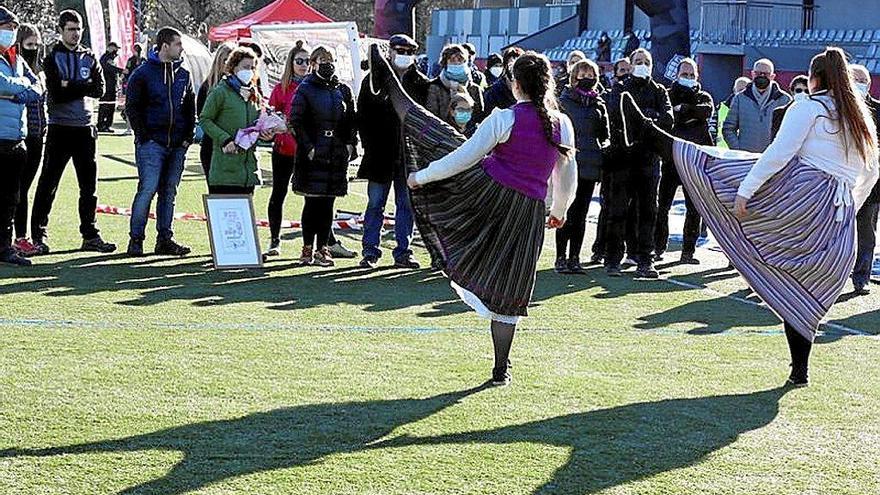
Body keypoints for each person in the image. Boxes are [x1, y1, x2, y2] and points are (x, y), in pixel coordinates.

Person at [621, 47, 878, 387]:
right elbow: (871, 171)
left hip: (804, 198)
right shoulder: (859, 117)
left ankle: (654, 136)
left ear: (815, 78)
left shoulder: (809, 107)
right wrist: (849, 207)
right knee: (802, 288)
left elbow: (779, 153)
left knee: (725, 168)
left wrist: (746, 190)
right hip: (836, 212)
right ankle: (799, 369)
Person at [369, 45, 576, 386]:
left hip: (486, 194)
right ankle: (501, 369)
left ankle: (389, 80)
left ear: (515, 84)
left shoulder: (504, 118)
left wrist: (421, 177)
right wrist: (559, 211)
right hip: (527, 210)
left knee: (435, 134)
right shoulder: (562, 124)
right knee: (510, 288)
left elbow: (462, 158)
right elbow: (567, 175)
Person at [30, 9, 116, 255]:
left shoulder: (89, 56)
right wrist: (82, 86)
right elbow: (57, 93)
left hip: (85, 129)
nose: (75, 34)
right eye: (70, 29)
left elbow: (100, 90)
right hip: (60, 128)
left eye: (78, 29)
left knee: (89, 187)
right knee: (48, 184)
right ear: (61, 30)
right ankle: (38, 235)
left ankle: (90, 235)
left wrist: (71, 85)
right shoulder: (52, 58)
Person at [356, 34, 429, 269]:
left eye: (409, 52)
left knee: (406, 205)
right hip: (379, 154)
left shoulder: (421, 83)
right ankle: (370, 251)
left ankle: (404, 252)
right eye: (400, 51)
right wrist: (369, 146)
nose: (405, 56)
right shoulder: (373, 81)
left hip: (409, 156)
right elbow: (362, 116)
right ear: (390, 51)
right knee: (375, 203)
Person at [124, 27, 195, 257]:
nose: (181, 49)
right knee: (147, 190)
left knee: (169, 192)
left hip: (177, 145)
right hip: (151, 144)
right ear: (165, 46)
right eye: (178, 44)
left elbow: (190, 107)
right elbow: (132, 108)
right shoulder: (142, 74)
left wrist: (188, 137)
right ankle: (136, 240)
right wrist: (143, 136)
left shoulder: (184, 73)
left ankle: (165, 239)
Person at [603, 48, 672, 278]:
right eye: (638, 61)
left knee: (649, 211)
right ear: (631, 65)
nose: (643, 65)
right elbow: (616, 114)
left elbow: (668, 119)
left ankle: (646, 260)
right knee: (618, 211)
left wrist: (640, 117)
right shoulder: (620, 88)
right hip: (623, 159)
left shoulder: (659, 90)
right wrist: (649, 119)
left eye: (646, 62)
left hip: (649, 160)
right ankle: (613, 259)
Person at [289, 46, 357, 267]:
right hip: (313, 153)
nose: (327, 63)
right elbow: (295, 121)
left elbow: (351, 120)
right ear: (314, 63)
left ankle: (323, 248)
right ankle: (307, 248)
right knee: (312, 203)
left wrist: (350, 144)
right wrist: (308, 147)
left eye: (330, 59)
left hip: (336, 153)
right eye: (322, 60)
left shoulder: (343, 90)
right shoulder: (305, 88)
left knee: (328, 204)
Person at [654, 57, 712, 265]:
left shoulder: (704, 96)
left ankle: (688, 252)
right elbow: (669, 119)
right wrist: (688, 113)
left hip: (693, 162)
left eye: (691, 74)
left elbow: (705, 111)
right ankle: (658, 248)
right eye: (684, 74)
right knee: (662, 207)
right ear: (676, 75)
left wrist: (684, 109)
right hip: (671, 161)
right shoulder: (667, 95)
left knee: (694, 209)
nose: (688, 78)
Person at [555, 58, 609, 274]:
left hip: (590, 165)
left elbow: (604, 134)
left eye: (591, 75)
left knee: (581, 214)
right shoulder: (563, 102)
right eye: (583, 75)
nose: (587, 79)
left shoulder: (599, 104)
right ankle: (560, 257)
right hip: (568, 164)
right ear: (574, 77)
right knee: (565, 210)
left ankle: (575, 257)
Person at [0, 7, 43, 266]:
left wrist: (17, 93)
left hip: (17, 139)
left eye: (14, 28)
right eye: (7, 28)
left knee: (10, 199)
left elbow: (38, 85)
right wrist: (21, 88)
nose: (11, 33)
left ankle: (4, 248)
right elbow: (2, 83)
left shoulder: (16, 58)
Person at [199, 46, 273, 195]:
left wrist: (267, 135)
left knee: (246, 208)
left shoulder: (255, 95)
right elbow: (205, 119)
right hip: (224, 168)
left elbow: (256, 126)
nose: (250, 71)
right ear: (233, 67)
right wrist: (225, 140)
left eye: (252, 67)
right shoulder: (220, 91)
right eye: (246, 67)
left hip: (248, 171)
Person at [265, 41, 309, 257]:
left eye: (307, 61)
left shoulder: (314, 87)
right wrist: (275, 128)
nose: (303, 65)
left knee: (314, 198)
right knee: (278, 194)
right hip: (283, 151)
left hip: (308, 152)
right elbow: (270, 116)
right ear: (291, 63)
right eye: (299, 61)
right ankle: (274, 240)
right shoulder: (281, 89)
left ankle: (322, 243)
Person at [590, 56, 633, 266]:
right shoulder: (607, 96)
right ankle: (600, 249)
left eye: (628, 70)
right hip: (612, 159)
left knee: (630, 209)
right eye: (622, 70)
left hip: (633, 159)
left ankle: (627, 251)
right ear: (615, 74)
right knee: (608, 207)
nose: (626, 74)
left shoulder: (638, 96)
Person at [12, 22, 46, 257]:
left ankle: (21, 237)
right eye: (29, 44)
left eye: (36, 44)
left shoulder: (39, 72)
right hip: (18, 136)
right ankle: (16, 238)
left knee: (23, 189)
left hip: (37, 136)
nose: (34, 49)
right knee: (15, 189)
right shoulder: (15, 70)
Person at [849, 63, 880, 295]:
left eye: (862, 80)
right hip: (842, 181)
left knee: (866, 232)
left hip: (871, 183)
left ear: (869, 84)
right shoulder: (838, 109)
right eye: (854, 79)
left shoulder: (878, 110)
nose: (858, 84)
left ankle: (861, 277)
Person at [722, 59, 791, 152]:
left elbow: (790, 131)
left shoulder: (785, 100)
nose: (762, 76)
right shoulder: (740, 98)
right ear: (752, 74)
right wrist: (738, 149)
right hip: (745, 157)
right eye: (758, 73)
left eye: (766, 74)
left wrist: (778, 152)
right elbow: (728, 128)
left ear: (772, 76)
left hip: (773, 157)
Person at [196, 42, 235, 182]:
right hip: (212, 148)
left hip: (238, 149)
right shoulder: (207, 87)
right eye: (225, 60)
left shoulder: (246, 88)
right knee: (217, 192)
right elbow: (203, 119)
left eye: (233, 60)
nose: (229, 64)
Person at [426, 44, 483, 132]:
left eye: (460, 60)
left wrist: (467, 99)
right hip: (443, 135)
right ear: (445, 63)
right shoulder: (435, 87)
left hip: (469, 135)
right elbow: (431, 117)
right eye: (452, 60)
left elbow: (480, 117)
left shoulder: (474, 89)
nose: (457, 63)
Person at [474, 46, 523, 125]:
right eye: (511, 66)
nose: (514, 71)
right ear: (505, 67)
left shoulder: (528, 92)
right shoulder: (492, 94)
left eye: (518, 67)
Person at [713, 76, 750, 148]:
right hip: (723, 152)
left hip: (746, 152)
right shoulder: (720, 108)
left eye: (745, 90)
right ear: (734, 91)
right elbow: (712, 131)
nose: (742, 93)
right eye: (740, 90)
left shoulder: (756, 110)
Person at [770, 75, 809, 139]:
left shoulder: (815, 112)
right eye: (799, 90)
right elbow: (775, 138)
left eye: (807, 91)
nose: (803, 94)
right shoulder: (779, 113)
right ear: (792, 92)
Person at [97, 42, 122, 132]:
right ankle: (101, 125)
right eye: (115, 48)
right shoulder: (105, 58)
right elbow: (109, 68)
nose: (116, 51)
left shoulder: (112, 58)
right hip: (107, 86)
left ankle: (107, 125)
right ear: (110, 48)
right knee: (105, 106)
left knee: (111, 107)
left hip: (113, 86)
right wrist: (121, 70)